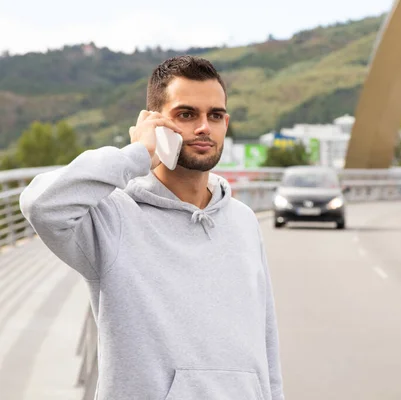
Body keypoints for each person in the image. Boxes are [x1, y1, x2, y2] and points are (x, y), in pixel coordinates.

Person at [19, 56, 284, 400]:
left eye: (215, 115)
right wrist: (137, 153)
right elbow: (41, 204)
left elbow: (266, 339)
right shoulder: (112, 218)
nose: (204, 127)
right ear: (155, 123)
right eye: (186, 115)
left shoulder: (243, 220)